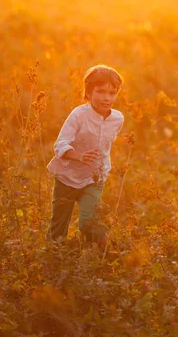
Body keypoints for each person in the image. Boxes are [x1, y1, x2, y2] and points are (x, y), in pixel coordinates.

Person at [46, 64, 124, 248]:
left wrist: (99, 165)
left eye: (112, 93)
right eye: (100, 91)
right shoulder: (78, 115)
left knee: (88, 223)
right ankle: (54, 262)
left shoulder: (117, 119)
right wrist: (79, 156)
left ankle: (110, 254)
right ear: (88, 93)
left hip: (94, 177)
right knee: (57, 228)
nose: (107, 98)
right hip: (67, 176)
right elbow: (60, 145)